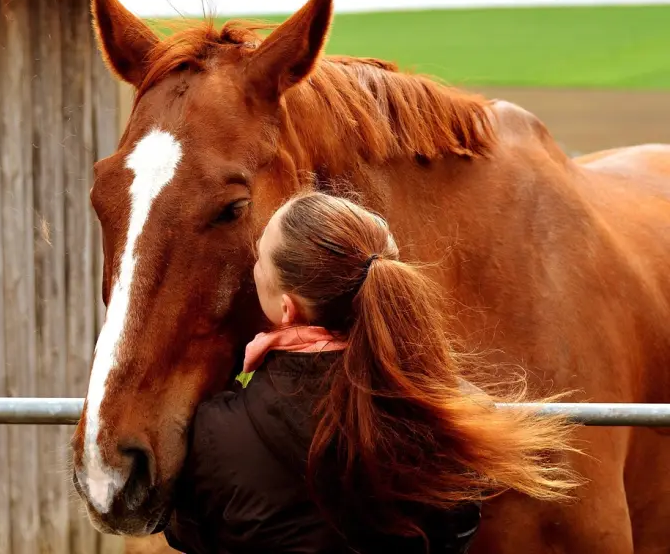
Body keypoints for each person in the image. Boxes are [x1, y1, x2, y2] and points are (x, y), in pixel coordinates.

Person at [164, 192, 581, 554]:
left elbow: (190, 534)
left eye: (259, 260)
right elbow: (458, 530)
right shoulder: (455, 416)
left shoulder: (216, 431)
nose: (254, 267)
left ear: (287, 309)